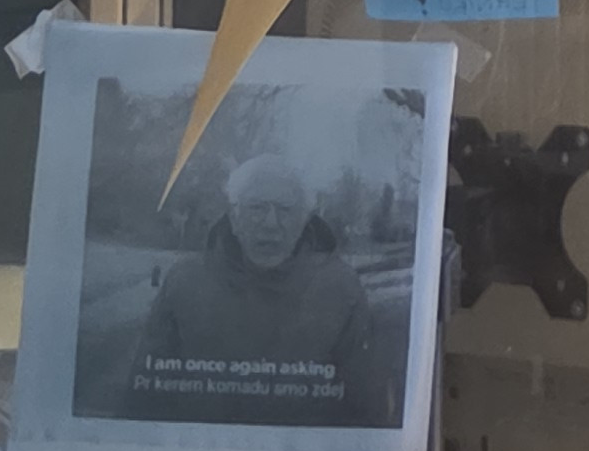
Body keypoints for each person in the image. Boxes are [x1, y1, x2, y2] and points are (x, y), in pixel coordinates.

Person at [126, 150, 393, 426]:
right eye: (257, 208)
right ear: (234, 218)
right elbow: (142, 398)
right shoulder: (184, 281)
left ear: (304, 220)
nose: (271, 224)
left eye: (285, 210)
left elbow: (367, 406)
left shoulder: (340, 288)